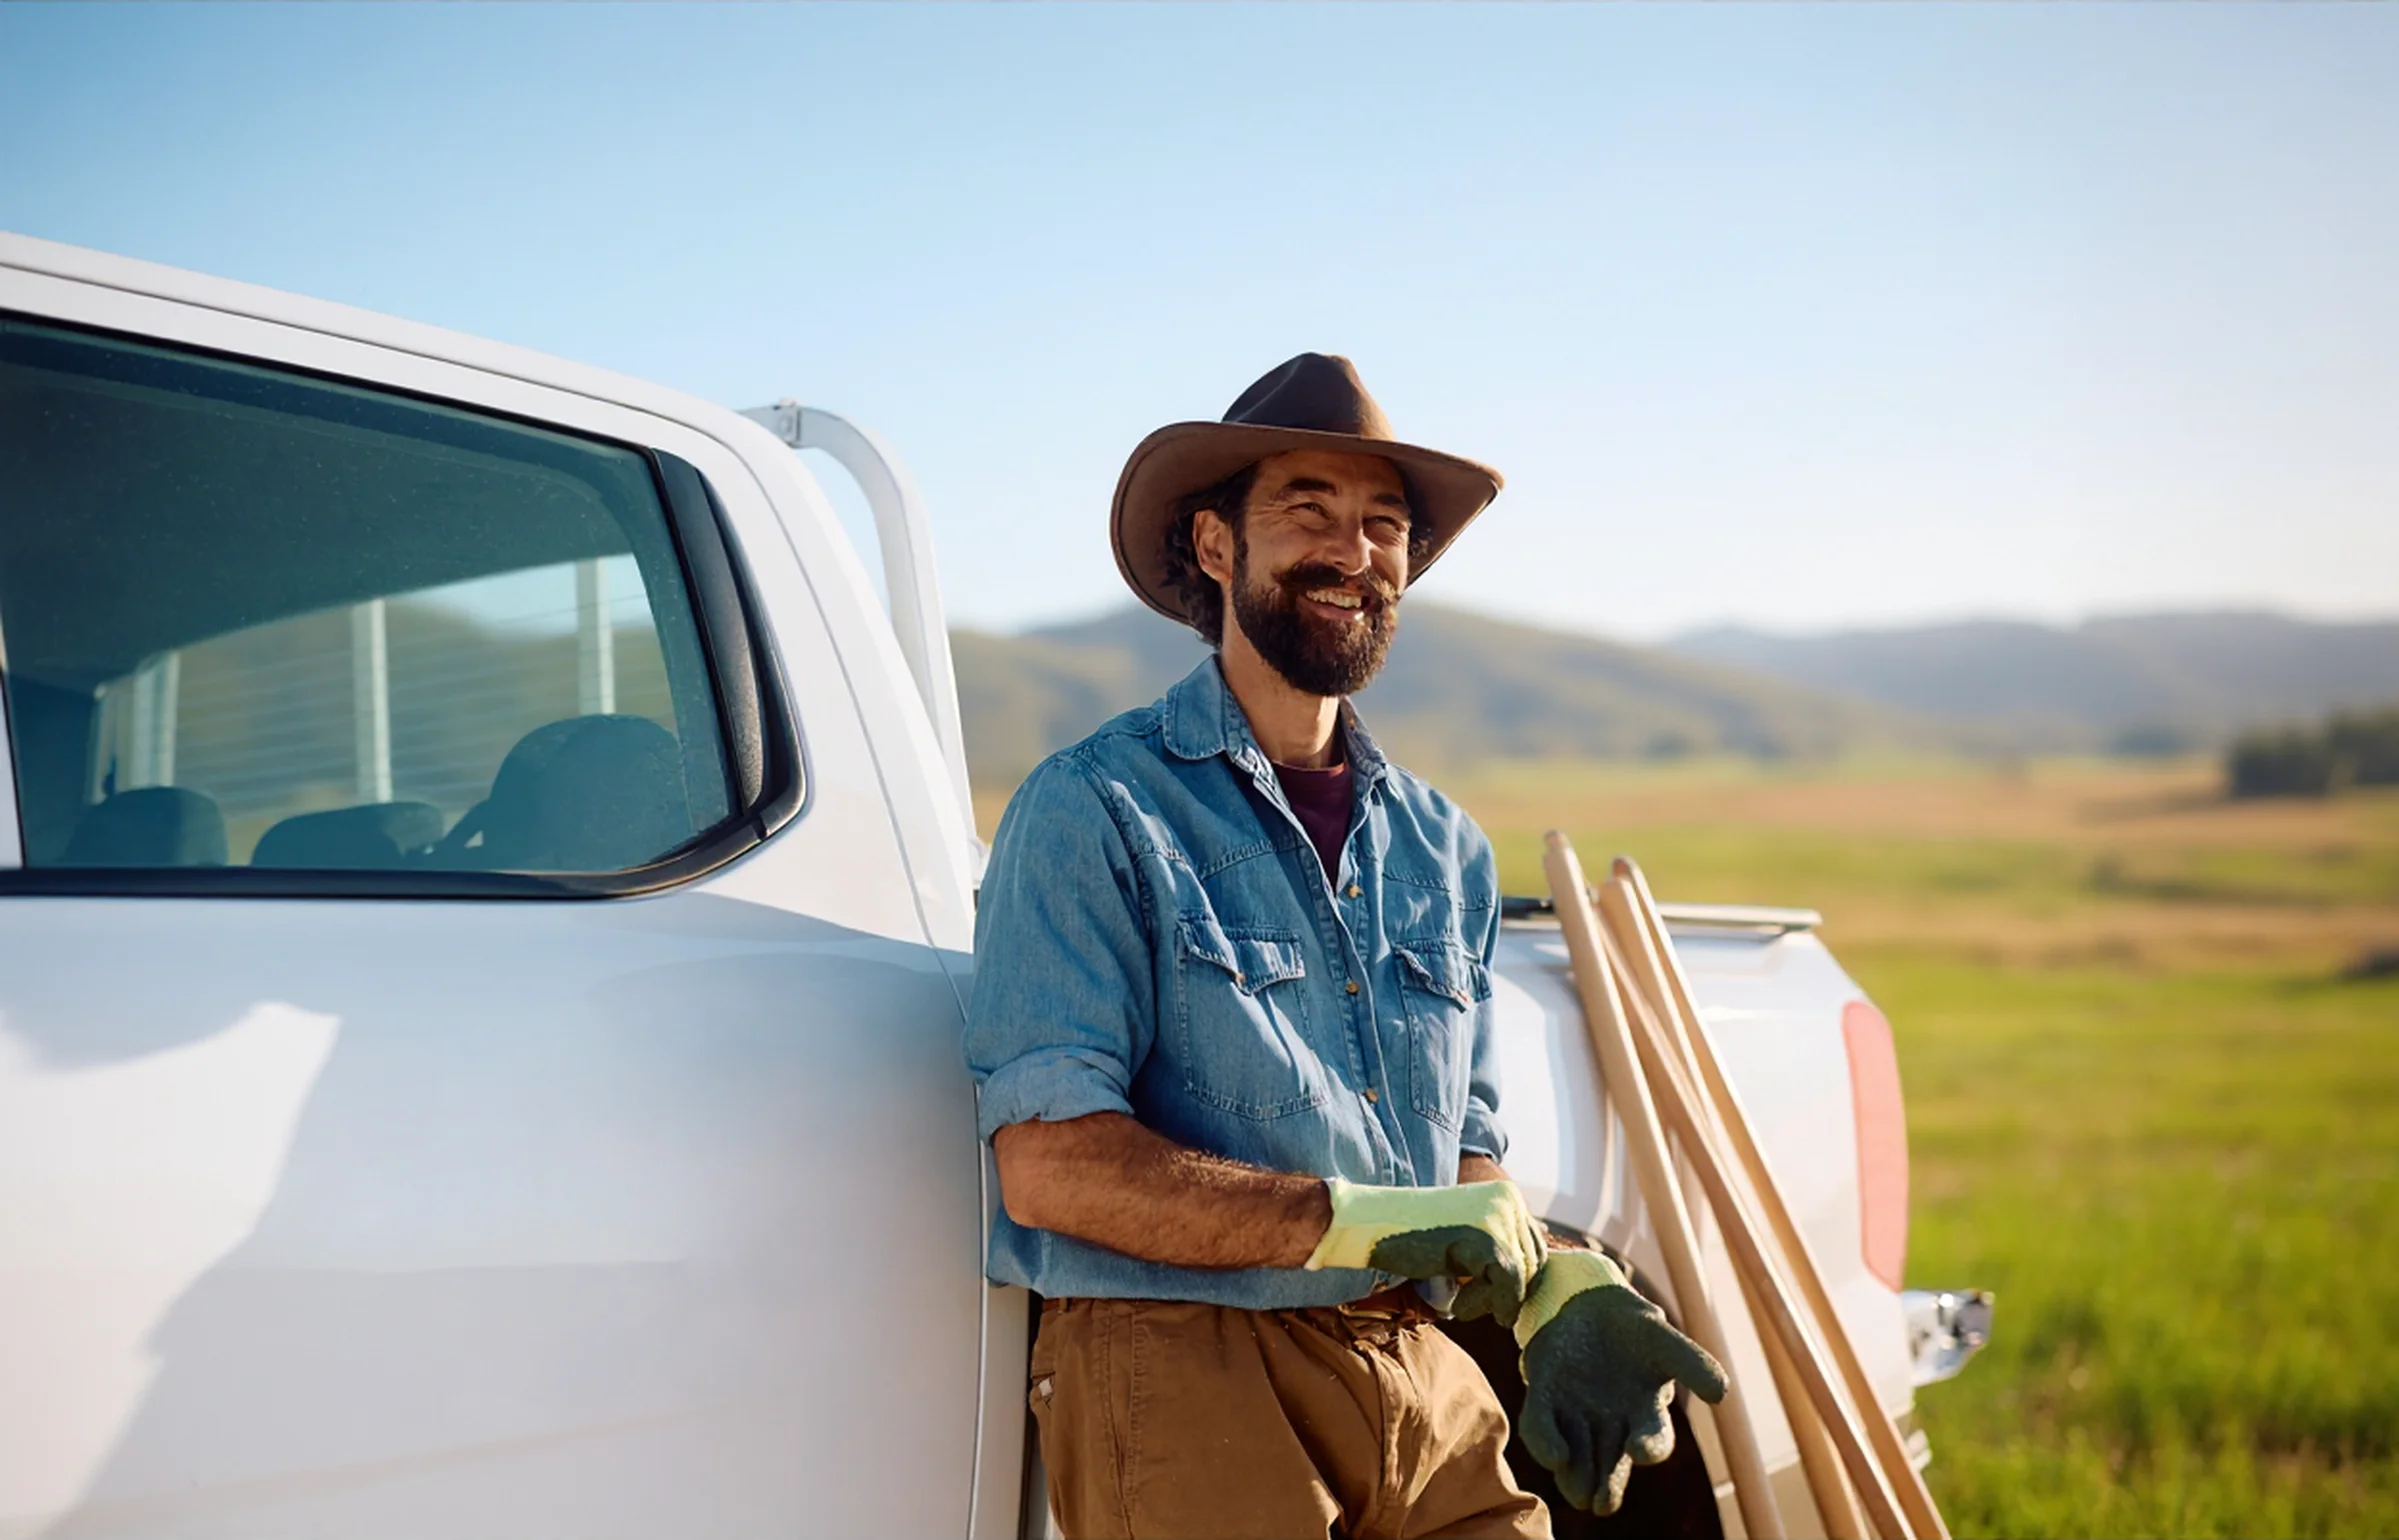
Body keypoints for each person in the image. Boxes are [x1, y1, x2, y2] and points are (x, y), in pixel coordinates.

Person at [965, 354, 1726, 1539]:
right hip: (1179, 1364)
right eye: (1307, 511)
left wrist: (1552, 1284)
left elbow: (1460, 1166)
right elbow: (1050, 1165)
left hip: (1411, 1363)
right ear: (1216, 548)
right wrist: (1348, 1218)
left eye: (1384, 525)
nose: (1353, 549)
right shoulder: (1093, 807)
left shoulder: (1444, 848)